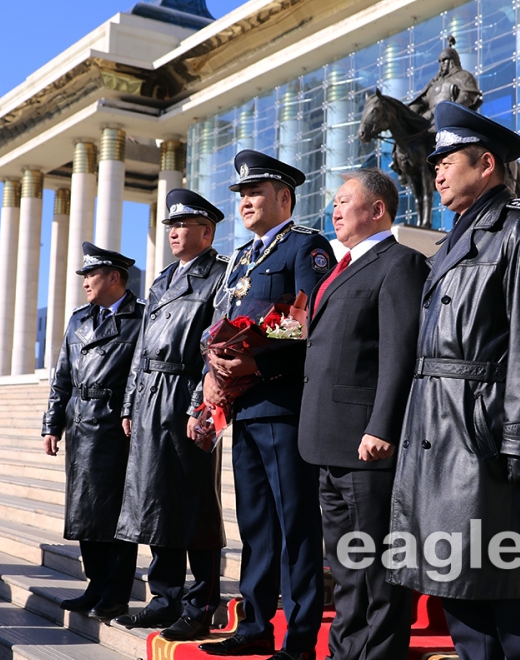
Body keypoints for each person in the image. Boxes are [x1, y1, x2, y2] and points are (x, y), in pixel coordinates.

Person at [387, 101, 520, 660]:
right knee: (456, 589)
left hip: (482, 435)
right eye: (435, 160)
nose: (436, 169)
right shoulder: (454, 241)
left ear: (486, 163)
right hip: (434, 431)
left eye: (448, 159)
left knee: (508, 590)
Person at [199, 150, 335, 660]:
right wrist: (213, 374)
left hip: (282, 401)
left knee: (294, 520)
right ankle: (255, 623)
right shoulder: (239, 258)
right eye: (241, 196)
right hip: (243, 406)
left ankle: (299, 637)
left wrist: (257, 366)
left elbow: (306, 321)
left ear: (284, 197)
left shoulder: (306, 248)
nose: (246, 203)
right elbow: (216, 326)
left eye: (255, 193)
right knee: (255, 521)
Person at [298, 168, 427, 660]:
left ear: (377, 210)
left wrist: (381, 426)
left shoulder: (400, 264)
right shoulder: (341, 266)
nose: (334, 209)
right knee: (346, 565)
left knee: (373, 566)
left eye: (345, 200)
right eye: (334, 201)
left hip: (364, 443)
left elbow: (399, 354)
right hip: (327, 440)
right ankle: (344, 651)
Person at [114, 188, 229, 641]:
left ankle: (200, 603)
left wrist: (200, 405)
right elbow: (141, 348)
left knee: (195, 502)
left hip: (186, 395)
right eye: (171, 227)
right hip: (149, 397)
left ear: (207, 231)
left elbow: (215, 346)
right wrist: (129, 402)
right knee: (155, 500)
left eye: (183, 226)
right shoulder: (161, 280)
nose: (175, 233)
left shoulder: (218, 277)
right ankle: (163, 599)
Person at [42, 242, 144, 623]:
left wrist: (131, 412)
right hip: (81, 425)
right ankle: (95, 585)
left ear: (114, 277)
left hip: (116, 427)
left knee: (115, 516)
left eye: (92, 275)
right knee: (85, 512)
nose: (86, 282)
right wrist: (52, 424)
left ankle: (116, 594)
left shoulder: (141, 318)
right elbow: (61, 377)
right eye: (84, 276)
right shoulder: (78, 319)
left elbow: (140, 375)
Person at [408, 37, 482, 128]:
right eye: (440, 61)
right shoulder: (434, 82)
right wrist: (411, 113)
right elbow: (423, 101)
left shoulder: (463, 76)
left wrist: (447, 112)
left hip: (451, 119)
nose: (442, 64)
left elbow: (466, 96)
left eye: (444, 60)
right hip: (430, 120)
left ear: (452, 60)